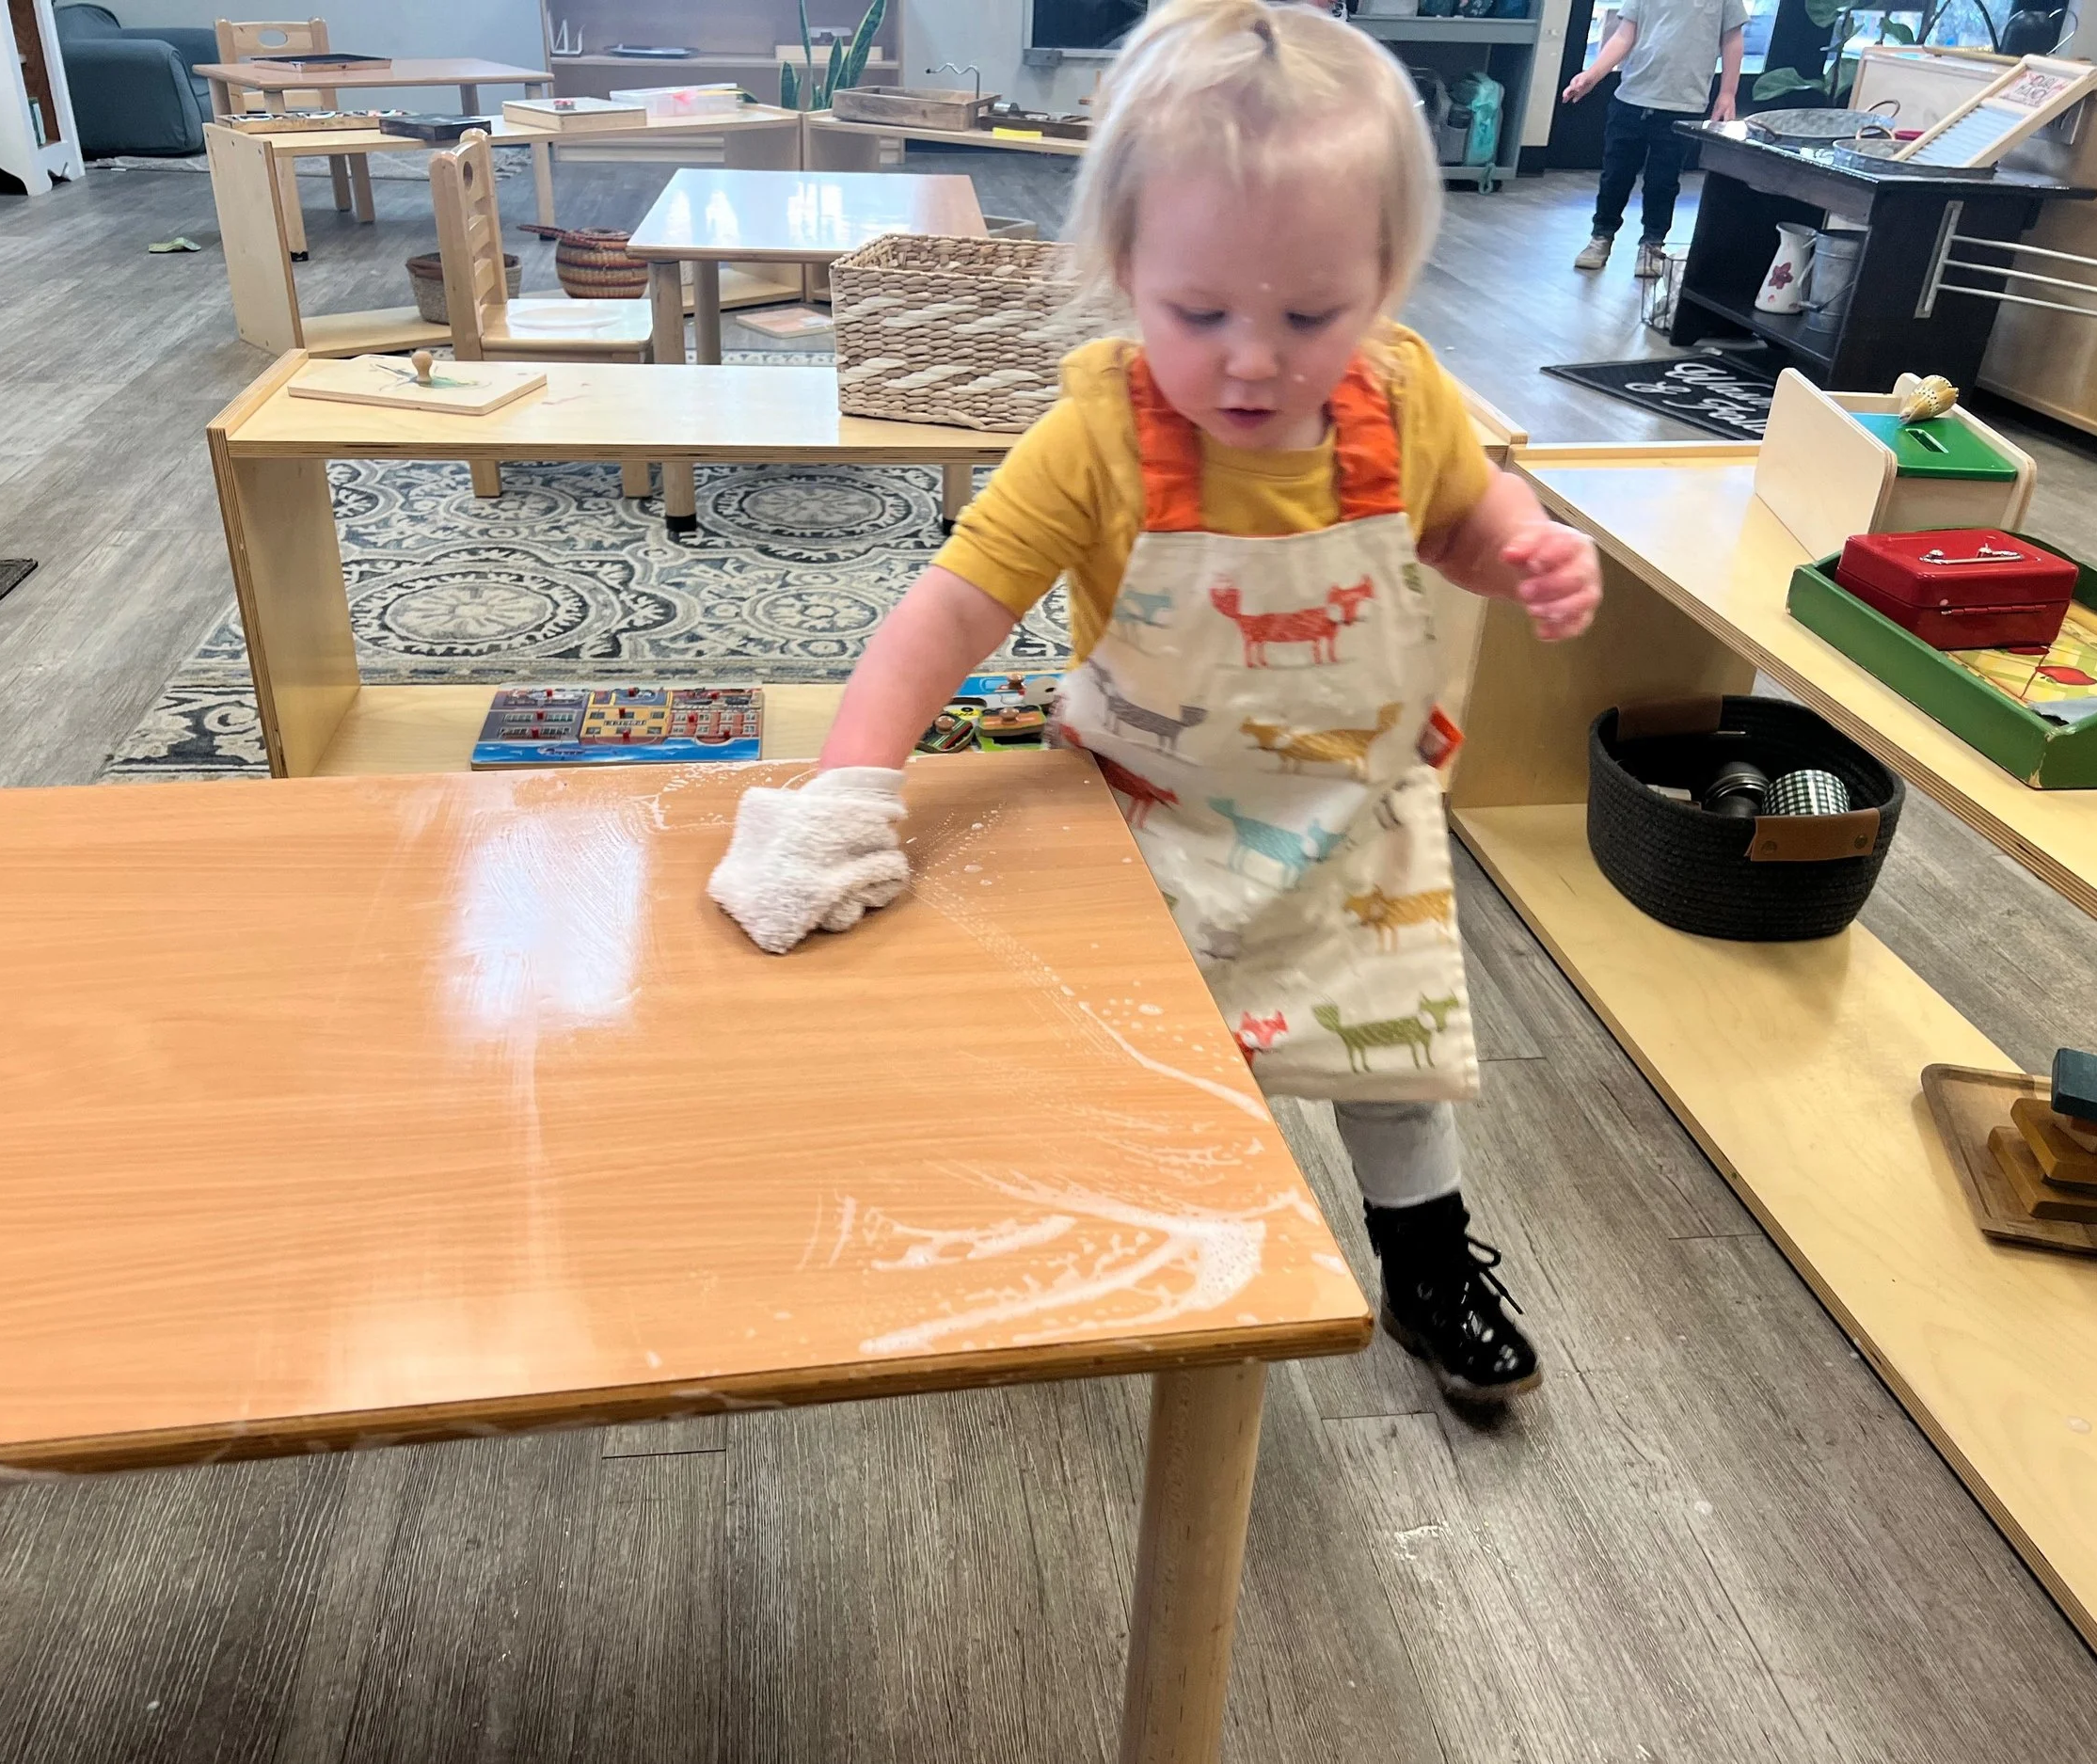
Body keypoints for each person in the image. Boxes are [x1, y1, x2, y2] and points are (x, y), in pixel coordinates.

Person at [707, 0, 1602, 1403]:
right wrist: (852, 784)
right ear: (1127, 270)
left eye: (1311, 316)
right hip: (1147, 825)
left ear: (1386, 283)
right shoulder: (1097, 437)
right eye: (1200, 314)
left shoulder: (1403, 401)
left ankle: (1426, 1263)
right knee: (1155, 1064)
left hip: (1350, 824)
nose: (1253, 359)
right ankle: (1145, 1239)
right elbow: (952, 610)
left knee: (1393, 1053)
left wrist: (1528, 548)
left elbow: (1461, 526)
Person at [1563, 0, 1748, 278]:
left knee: (1663, 181)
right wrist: (1592, 75)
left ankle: (1652, 244)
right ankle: (1601, 236)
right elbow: (1624, 36)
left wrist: (1727, 93)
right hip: (1631, 99)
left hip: (1683, 105)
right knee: (1615, 175)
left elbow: (1732, 40)